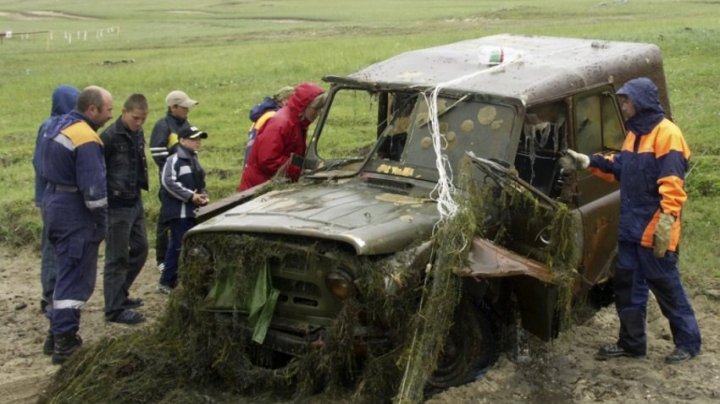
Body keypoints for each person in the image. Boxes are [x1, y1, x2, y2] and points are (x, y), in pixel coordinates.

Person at [563, 77, 701, 364]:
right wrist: (587, 162)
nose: (622, 106)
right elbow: (620, 168)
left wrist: (665, 224)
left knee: (666, 287)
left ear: (640, 102)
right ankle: (631, 343)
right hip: (630, 229)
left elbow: (672, 184)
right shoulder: (634, 135)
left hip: (654, 230)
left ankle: (688, 343)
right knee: (627, 289)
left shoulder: (668, 135)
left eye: (626, 101)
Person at [41, 85, 113, 364]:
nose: (110, 115)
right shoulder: (86, 137)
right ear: (92, 109)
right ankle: (65, 342)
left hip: (53, 203)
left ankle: (55, 334)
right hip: (75, 213)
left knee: (61, 273)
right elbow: (94, 192)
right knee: (75, 279)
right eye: (108, 110)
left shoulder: (56, 126)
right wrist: (101, 224)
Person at [32, 85, 80, 355]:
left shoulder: (54, 125)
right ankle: (50, 296)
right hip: (54, 199)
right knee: (53, 250)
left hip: (50, 197)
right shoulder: (51, 127)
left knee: (54, 249)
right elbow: (42, 164)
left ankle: (52, 296)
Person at [100, 94, 150, 325]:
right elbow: (100, 170)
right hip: (116, 204)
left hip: (134, 199)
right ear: (124, 112)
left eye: (143, 119)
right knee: (116, 257)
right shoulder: (109, 137)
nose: (139, 123)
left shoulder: (138, 133)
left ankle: (121, 293)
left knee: (141, 249)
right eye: (136, 118)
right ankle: (114, 308)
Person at [239, 82, 326, 191]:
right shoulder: (281, 123)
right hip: (258, 190)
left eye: (321, 109)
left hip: (271, 185)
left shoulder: (297, 122)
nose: (319, 113)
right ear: (304, 105)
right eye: (316, 109)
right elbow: (267, 160)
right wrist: (298, 170)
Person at [150, 90, 198, 273]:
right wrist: (175, 167)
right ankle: (161, 259)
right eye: (184, 107)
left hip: (187, 180)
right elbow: (157, 153)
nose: (188, 110)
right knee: (166, 219)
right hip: (169, 181)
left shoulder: (185, 124)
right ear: (173, 107)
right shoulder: (162, 125)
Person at [157, 126, 209, 294]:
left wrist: (203, 195)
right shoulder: (174, 159)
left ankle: (172, 280)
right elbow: (168, 182)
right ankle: (168, 281)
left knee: (179, 245)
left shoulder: (194, 159)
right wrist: (190, 196)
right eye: (194, 139)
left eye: (199, 139)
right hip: (178, 212)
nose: (198, 142)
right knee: (180, 246)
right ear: (182, 141)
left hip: (191, 211)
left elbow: (200, 184)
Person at [238, 85, 294, 190]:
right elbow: (268, 155)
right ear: (285, 101)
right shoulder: (275, 118)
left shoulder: (265, 115)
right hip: (260, 176)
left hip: (251, 171)